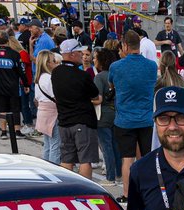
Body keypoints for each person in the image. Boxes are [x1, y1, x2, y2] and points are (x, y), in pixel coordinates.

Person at [110, 28, 158, 200]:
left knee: (127, 159)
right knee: (147, 158)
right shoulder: (152, 66)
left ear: (124, 45)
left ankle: (127, 194)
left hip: (124, 120)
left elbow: (112, 85)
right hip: (146, 119)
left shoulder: (116, 66)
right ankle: (148, 191)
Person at [51, 39, 99, 177]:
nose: (82, 55)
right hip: (82, 121)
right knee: (85, 160)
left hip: (64, 121)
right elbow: (94, 94)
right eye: (79, 52)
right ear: (72, 54)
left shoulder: (56, 73)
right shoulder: (81, 75)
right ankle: (86, 192)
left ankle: (67, 190)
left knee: (67, 159)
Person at [0, 32, 28, 138]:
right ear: (8, 40)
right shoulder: (15, 54)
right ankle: (17, 131)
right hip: (12, 85)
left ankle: (3, 131)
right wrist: (26, 84)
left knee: (2, 108)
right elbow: (21, 71)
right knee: (15, 108)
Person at [93, 47, 121, 184]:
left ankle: (110, 177)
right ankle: (119, 175)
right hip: (116, 113)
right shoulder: (115, 74)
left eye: (95, 58)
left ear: (101, 61)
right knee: (116, 146)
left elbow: (98, 98)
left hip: (102, 115)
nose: (93, 60)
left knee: (106, 148)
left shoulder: (99, 77)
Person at [33, 49, 62, 163]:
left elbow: (36, 98)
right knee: (55, 145)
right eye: (53, 61)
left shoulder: (39, 78)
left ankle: (46, 168)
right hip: (52, 114)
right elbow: (57, 96)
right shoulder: (49, 78)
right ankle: (54, 171)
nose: (55, 63)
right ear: (47, 63)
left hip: (42, 113)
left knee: (47, 144)